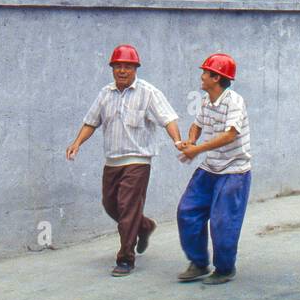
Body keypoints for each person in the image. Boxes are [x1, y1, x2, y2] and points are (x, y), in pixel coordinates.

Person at [66, 44, 181, 276]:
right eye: (117, 66)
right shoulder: (105, 93)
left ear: (136, 69)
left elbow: (168, 118)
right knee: (110, 204)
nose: (122, 71)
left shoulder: (148, 92)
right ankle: (144, 225)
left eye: (127, 66)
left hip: (138, 160)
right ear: (111, 69)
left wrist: (177, 141)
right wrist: (77, 142)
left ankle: (126, 258)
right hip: (112, 161)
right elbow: (91, 122)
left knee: (127, 208)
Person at [176, 52, 251, 285]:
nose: (202, 76)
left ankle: (225, 268)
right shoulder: (207, 101)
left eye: (205, 73)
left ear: (216, 77)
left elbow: (230, 135)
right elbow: (196, 126)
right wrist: (191, 141)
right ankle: (198, 263)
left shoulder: (234, 101)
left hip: (234, 170)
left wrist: (196, 151)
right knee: (187, 210)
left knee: (222, 220)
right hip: (210, 168)